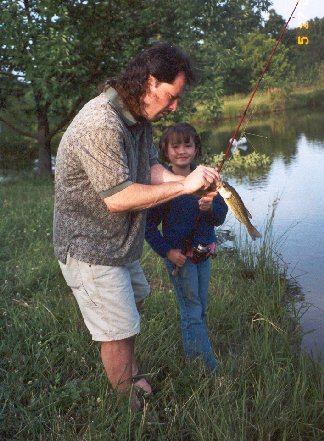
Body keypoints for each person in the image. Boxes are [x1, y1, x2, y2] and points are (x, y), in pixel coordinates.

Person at [53, 43, 220, 408]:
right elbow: (119, 198)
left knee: (133, 305)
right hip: (90, 249)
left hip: (120, 245)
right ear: (148, 82)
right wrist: (183, 186)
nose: (175, 106)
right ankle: (130, 413)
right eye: (171, 96)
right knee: (117, 330)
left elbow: (149, 170)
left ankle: (130, 374)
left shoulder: (138, 119)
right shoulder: (100, 123)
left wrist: (194, 179)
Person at [145, 123, 228, 371]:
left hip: (203, 255)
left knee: (201, 307)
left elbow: (220, 216)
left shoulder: (207, 180)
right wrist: (168, 252)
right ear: (165, 151)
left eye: (187, 145)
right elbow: (149, 227)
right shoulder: (162, 186)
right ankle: (207, 368)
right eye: (175, 146)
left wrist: (210, 207)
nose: (182, 151)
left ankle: (196, 355)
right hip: (179, 258)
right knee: (191, 310)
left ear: (196, 148)